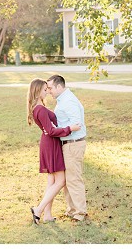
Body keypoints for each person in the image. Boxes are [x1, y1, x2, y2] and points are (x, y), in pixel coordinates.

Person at [26, 78, 83, 224]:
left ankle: (47, 215)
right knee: (61, 180)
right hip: (51, 144)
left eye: (48, 89)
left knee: (51, 181)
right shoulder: (40, 109)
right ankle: (38, 210)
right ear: (38, 91)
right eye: (45, 90)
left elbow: (49, 128)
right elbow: (51, 130)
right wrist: (70, 128)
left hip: (50, 143)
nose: (47, 92)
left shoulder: (38, 107)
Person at [46, 74, 88, 222]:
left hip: (73, 143)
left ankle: (80, 212)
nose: (48, 91)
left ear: (59, 86)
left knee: (74, 179)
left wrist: (55, 129)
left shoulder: (68, 101)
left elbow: (76, 124)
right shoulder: (62, 100)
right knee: (67, 179)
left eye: (50, 88)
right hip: (67, 144)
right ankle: (71, 209)